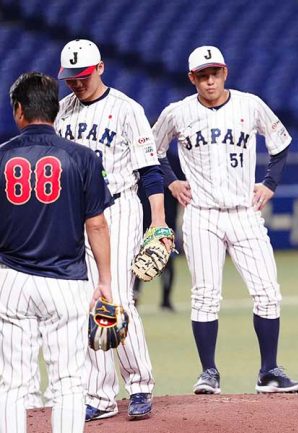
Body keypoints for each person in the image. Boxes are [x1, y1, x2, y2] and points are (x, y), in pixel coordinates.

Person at [152, 45, 298, 395]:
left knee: (268, 293)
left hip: (243, 213)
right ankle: (209, 372)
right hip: (201, 215)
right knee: (205, 295)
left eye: (215, 73)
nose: (209, 81)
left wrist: (270, 183)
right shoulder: (177, 113)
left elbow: (280, 144)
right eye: (202, 75)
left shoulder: (249, 105)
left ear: (225, 73)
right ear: (192, 78)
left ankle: (268, 371)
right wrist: (171, 180)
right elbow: (152, 149)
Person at [55, 39, 168, 421]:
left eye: (83, 76)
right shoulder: (62, 113)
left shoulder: (127, 110)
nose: (77, 83)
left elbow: (150, 171)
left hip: (118, 207)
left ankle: (139, 385)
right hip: (75, 215)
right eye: (70, 78)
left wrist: (158, 220)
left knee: (115, 296)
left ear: (100, 68)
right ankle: (100, 396)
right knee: (87, 302)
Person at [0, 72, 112, 433]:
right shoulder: (82, 158)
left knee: (13, 384)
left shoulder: (1, 158)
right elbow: (96, 225)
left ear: (18, 111)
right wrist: (106, 282)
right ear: (55, 111)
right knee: (68, 382)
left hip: (11, 281)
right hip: (66, 283)